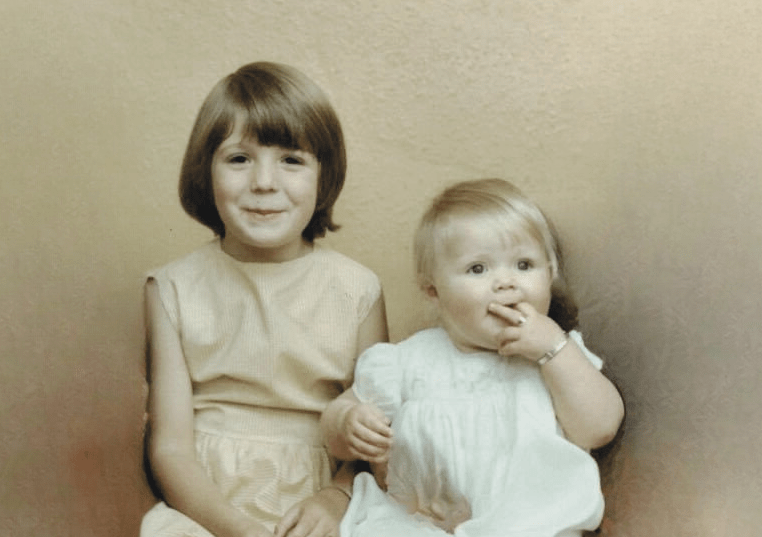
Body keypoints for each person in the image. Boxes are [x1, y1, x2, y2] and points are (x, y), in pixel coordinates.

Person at [140, 61, 388, 537]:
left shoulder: (357, 289)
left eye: (291, 160)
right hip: (205, 502)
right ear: (205, 170)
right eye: (239, 159)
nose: (264, 182)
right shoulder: (172, 287)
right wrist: (239, 530)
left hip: (321, 501)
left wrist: (336, 498)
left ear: (324, 176)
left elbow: (372, 430)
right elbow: (170, 449)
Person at [321, 178, 625, 536]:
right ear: (434, 291)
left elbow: (600, 427)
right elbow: (334, 427)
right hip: (419, 523)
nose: (506, 282)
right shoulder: (407, 361)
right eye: (478, 269)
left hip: (528, 526)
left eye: (524, 264)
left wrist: (553, 349)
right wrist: (348, 423)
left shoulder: (557, 357)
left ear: (550, 274)